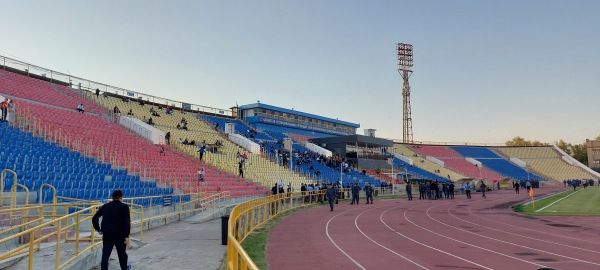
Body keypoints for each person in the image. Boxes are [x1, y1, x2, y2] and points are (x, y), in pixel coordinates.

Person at [92, 190, 131, 270]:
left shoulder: (105, 206)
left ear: (112, 197)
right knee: (122, 254)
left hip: (107, 235)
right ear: (121, 197)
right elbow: (126, 222)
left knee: (105, 256)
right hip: (120, 235)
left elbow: (94, 218)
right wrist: (127, 235)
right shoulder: (124, 207)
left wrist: (98, 229)